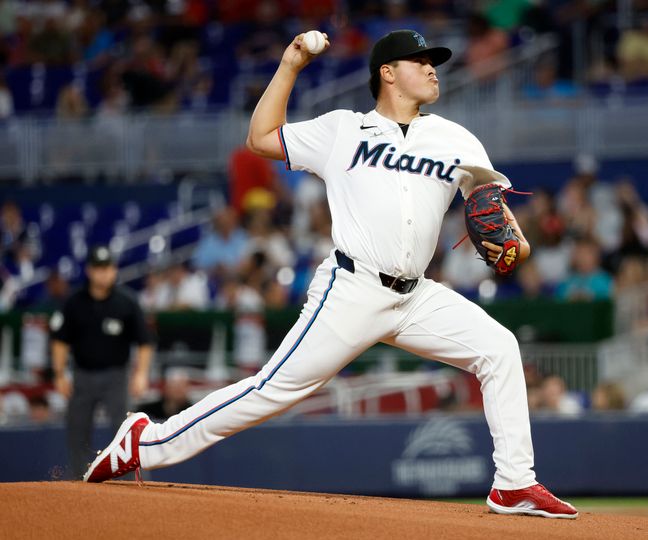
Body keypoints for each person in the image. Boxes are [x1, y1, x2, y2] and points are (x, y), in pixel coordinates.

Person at [83, 29, 577, 519]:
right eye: (420, 60)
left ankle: (514, 483)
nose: (432, 68)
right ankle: (144, 442)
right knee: (270, 392)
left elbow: (492, 212)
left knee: (499, 349)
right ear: (387, 73)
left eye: (434, 61)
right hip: (353, 288)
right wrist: (291, 65)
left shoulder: (456, 139)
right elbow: (259, 138)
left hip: (416, 296)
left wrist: (518, 245)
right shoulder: (343, 129)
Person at [50, 245, 154, 479]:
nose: (103, 273)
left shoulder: (127, 302)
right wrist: (59, 374)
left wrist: (141, 373)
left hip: (116, 377)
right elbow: (60, 340)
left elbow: (145, 341)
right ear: (89, 271)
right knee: (77, 431)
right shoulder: (74, 302)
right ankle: (80, 481)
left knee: (126, 433)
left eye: (107, 268)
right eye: (98, 268)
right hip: (82, 376)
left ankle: (136, 486)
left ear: (114, 270)